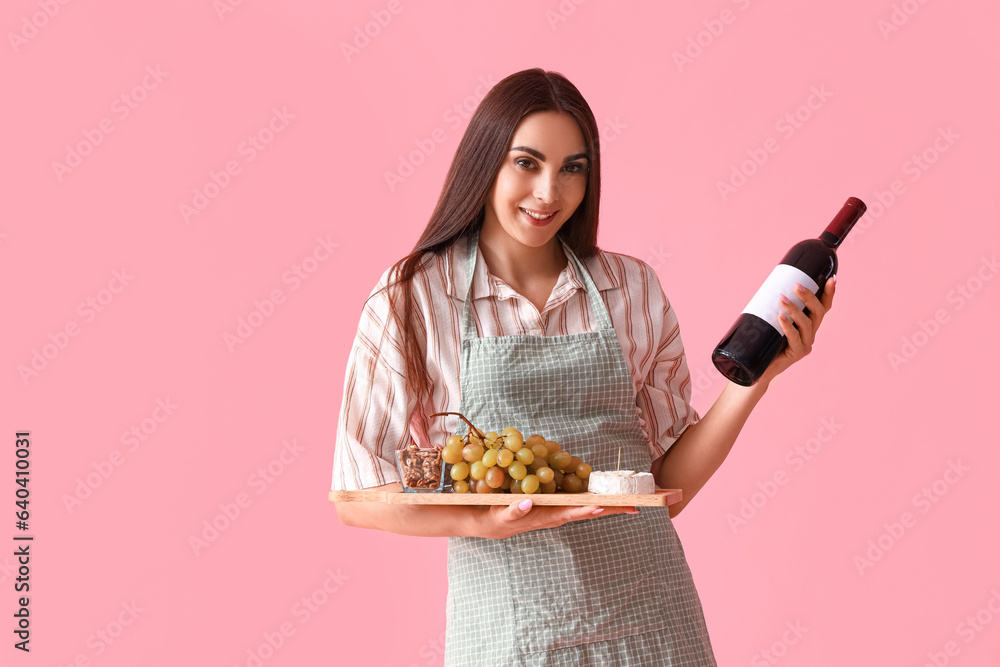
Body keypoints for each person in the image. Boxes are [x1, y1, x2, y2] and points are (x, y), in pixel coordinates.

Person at [332, 68, 836, 666]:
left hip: (653, 623)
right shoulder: (415, 296)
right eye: (527, 162)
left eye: (573, 168)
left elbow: (665, 489)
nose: (550, 192)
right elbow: (356, 496)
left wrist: (760, 379)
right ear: (485, 161)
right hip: (509, 628)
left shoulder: (631, 288)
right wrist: (479, 522)